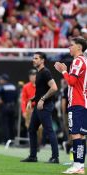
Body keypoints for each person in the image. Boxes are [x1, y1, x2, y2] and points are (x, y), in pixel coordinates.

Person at [54, 37, 87, 174]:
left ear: (79, 47)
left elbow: (71, 81)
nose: (69, 47)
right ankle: (80, 165)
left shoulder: (78, 61)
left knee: (75, 134)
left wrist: (63, 71)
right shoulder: (85, 61)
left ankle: (77, 164)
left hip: (76, 102)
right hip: (83, 102)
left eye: (71, 45)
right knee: (81, 135)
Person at [21, 52, 59, 163]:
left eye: (36, 58)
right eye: (33, 58)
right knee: (32, 129)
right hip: (39, 106)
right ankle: (33, 156)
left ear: (42, 60)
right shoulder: (39, 73)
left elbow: (54, 88)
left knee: (49, 130)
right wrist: (32, 99)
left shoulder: (45, 72)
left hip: (45, 106)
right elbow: (40, 91)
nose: (33, 60)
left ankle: (55, 157)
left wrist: (42, 99)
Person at [0, 74, 18, 144]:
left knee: (5, 124)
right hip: (12, 107)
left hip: (5, 107)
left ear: (4, 80)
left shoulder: (2, 87)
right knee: (12, 124)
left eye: (1, 79)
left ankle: (6, 141)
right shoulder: (13, 86)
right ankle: (12, 140)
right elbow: (16, 97)